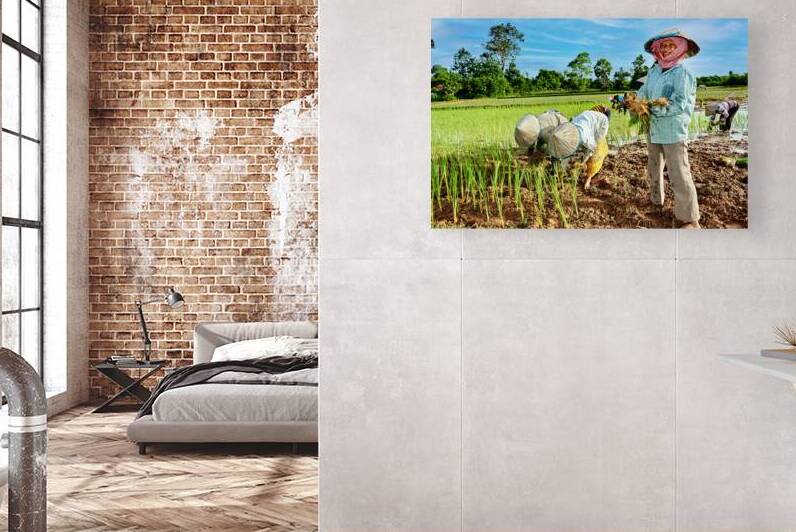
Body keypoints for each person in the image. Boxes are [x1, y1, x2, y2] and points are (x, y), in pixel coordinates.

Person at [637, 28, 701, 229]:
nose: (665, 49)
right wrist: (636, 102)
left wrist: (653, 108)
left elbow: (680, 102)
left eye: (670, 45)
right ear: (657, 49)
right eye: (662, 45)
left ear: (680, 48)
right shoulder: (654, 71)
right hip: (654, 129)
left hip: (673, 131)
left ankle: (690, 219)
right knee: (653, 168)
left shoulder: (683, 73)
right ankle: (656, 202)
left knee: (679, 174)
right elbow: (644, 90)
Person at [542, 106, 610, 189]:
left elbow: (591, 149)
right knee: (566, 156)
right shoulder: (562, 132)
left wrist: (582, 162)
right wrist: (555, 171)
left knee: (597, 153)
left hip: (601, 123)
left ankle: (588, 178)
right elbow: (556, 155)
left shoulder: (586, 140)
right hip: (584, 119)